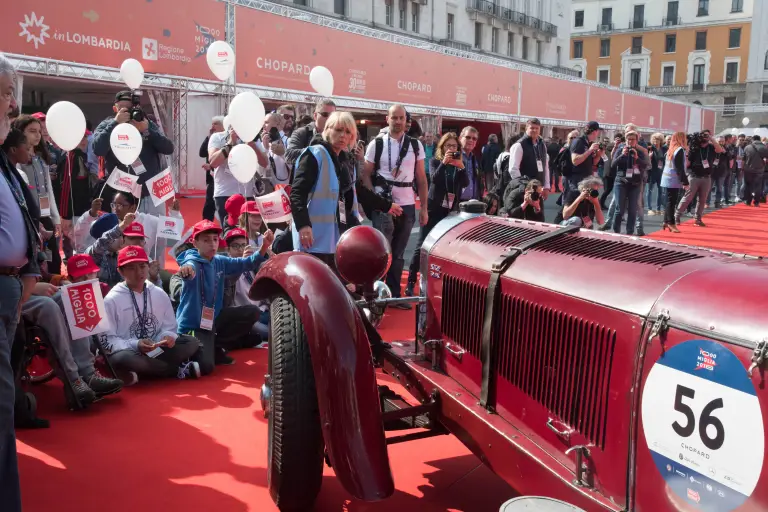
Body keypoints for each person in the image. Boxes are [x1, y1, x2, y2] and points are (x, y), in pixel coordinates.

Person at [0, 53, 40, 511]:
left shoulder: (10, 168)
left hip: (13, 288)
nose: (12, 106)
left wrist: (30, 271)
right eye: (7, 94)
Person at [175, 220, 273, 374]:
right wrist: (186, 271)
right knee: (207, 367)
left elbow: (246, 263)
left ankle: (215, 345)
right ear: (195, 243)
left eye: (215, 239)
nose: (212, 244)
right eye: (206, 240)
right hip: (193, 326)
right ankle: (189, 355)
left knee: (252, 312)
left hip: (215, 318)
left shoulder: (219, 261)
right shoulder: (191, 262)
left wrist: (264, 247)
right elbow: (188, 268)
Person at [103, 246, 201, 380]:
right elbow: (108, 341)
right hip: (131, 351)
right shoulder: (111, 300)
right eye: (131, 268)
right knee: (122, 358)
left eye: (142, 266)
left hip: (156, 349)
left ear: (148, 267)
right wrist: (136, 344)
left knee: (191, 342)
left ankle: (143, 372)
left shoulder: (158, 293)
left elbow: (170, 327)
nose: (139, 272)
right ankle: (175, 369)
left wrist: (166, 337)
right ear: (120, 271)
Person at [363, 105, 426, 307]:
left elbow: (422, 179)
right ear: (387, 119)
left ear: (406, 121)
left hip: (407, 203)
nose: (398, 121)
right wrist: (374, 198)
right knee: (383, 252)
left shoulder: (416, 145)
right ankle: (377, 295)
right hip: (384, 204)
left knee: (398, 252)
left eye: (401, 118)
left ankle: (395, 295)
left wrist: (423, 207)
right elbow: (365, 174)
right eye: (394, 118)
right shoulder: (377, 144)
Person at [290, 112, 366, 268]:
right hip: (311, 240)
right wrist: (303, 225)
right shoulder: (315, 154)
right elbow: (297, 193)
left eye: (347, 132)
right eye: (338, 130)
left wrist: (386, 205)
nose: (342, 136)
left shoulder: (342, 160)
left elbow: (352, 192)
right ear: (327, 130)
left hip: (332, 241)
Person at [405, 132, 468, 296]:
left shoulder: (459, 165)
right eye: (448, 146)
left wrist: (461, 167)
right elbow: (434, 178)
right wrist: (444, 163)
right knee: (421, 246)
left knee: (447, 248)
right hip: (434, 210)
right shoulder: (435, 161)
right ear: (442, 147)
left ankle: (442, 283)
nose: (452, 149)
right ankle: (411, 281)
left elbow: (466, 183)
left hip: (451, 212)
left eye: (454, 146)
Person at [13, 115, 62, 272]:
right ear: (20, 132)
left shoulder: (41, 159)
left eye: (39, 131)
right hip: (29, 219)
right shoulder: (17, 160)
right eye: (32, 131)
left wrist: (55, 217)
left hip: (45, 216)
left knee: (53, 258)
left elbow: (49, 191)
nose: (37, 135)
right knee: (36, 260)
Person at [676, 131, 724, 226]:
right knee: (688, 197)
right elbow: (688, 164)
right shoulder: (694, 148)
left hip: (706, 177)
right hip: (693, 176)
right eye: (704, 135)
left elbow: (719, 150)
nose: (705, 137)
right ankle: (677, 216)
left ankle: (697, 219)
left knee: (702, 199)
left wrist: (711, 139)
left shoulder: (711, 147)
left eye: (707, 135)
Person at [610, 131, 644, 235]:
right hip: (621, 181)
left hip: (635, 183)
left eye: (633, 139)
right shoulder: (621, 149)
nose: (630, 141)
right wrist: (621, 155)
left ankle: (629, 232)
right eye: (628, 139)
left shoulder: (640, 151)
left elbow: (645, 166)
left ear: (636, 141)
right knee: (619, 209)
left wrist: (637, 158)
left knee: (633, 210)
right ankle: (616, 231)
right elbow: (613, 164)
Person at [286, 98, 336, 170]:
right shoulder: (302, 132)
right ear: (315, 116)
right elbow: (289, 155)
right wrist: (317, 151)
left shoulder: (337, 134)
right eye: (325, 114)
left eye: (332, 115)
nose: (329, 118)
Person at [660, 131, 689, 233]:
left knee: (669, 201)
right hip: (673, 180)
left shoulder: (671, 149)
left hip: (667, 178)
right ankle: (671, 223)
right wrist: (685, 182)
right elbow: (679, 168)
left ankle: (665, 221)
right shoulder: (679, 150)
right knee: (671, 202)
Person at [199, 116, 225, 221]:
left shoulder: (226, 139)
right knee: (209, 204)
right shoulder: (212, 138)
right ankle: (206, 224)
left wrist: (211, 165)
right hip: (212, 178)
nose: (213, 126)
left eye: (216, 123)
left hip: (223, 178)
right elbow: (202, 153)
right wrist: (209, 137)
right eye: (212, 123)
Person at [743, 134, 768, 207]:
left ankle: (748, 201)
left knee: (748, 185)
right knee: (758, 186)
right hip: (759, 170)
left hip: (748, 169)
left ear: (753, 140)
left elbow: (743, 159)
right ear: (759, 140)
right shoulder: (764, 148)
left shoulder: (747, 147)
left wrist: (742, 168)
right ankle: (756, 202)